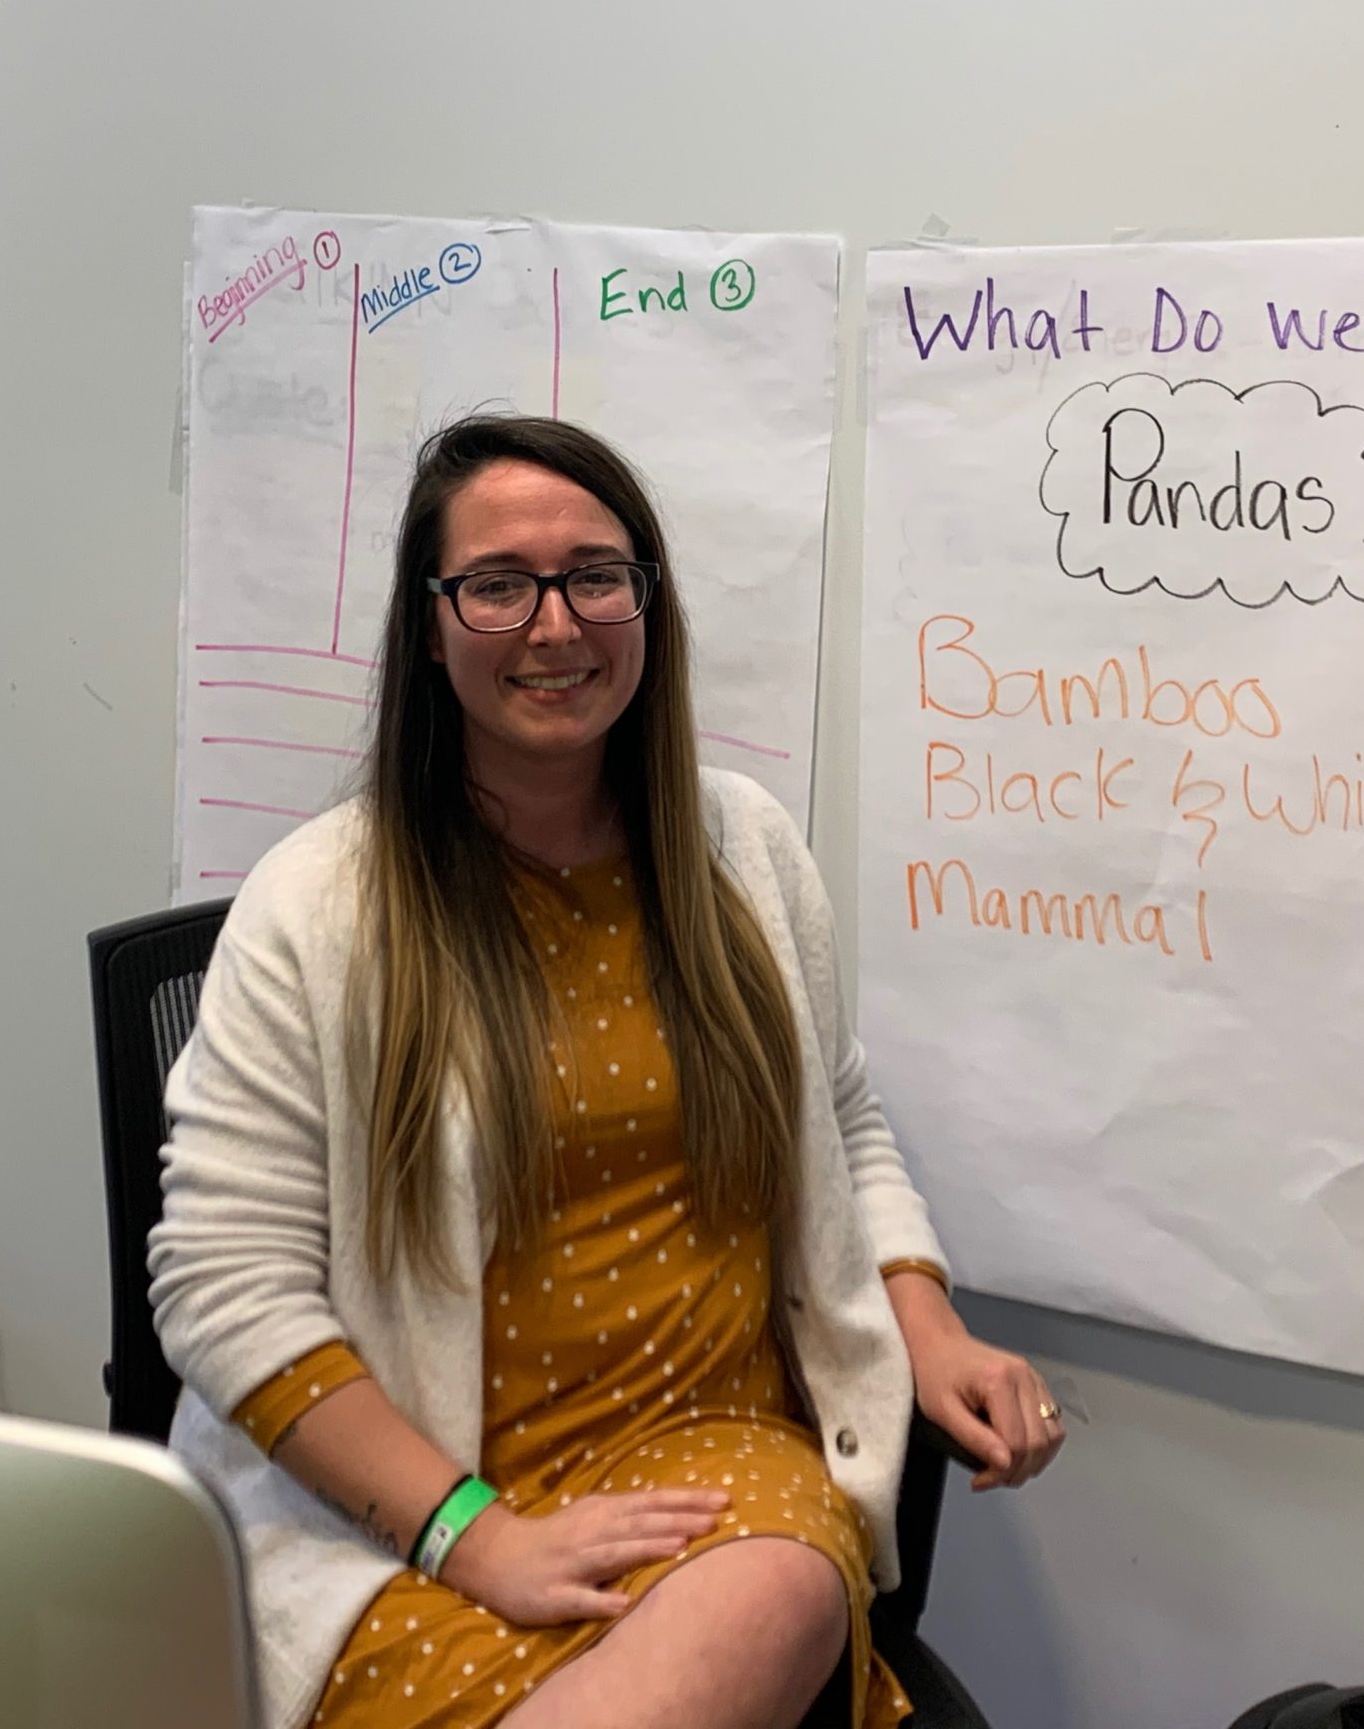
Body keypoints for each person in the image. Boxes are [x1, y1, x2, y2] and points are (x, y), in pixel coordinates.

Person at [149, 416, 1064, 1729]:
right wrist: (472, 1535)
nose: (556, 624)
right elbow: (220, 1288)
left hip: (712, 1463)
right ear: (430, 624)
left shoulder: (741, 851)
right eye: (499, 584)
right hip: (405, 1501)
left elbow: (838, 1118)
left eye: (596, 575)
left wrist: (930, 1328)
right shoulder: (322, 907)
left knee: (776, 1604)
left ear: (648, 603)